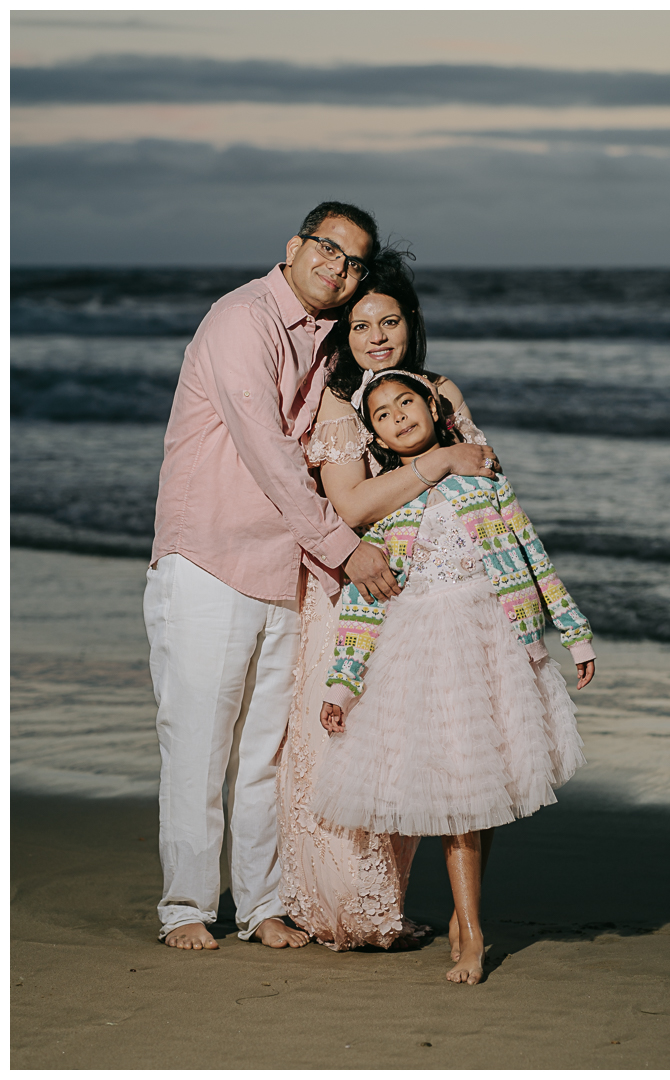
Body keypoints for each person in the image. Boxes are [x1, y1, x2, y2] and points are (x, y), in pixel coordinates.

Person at [144, 201, 412, 951]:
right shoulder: (243, 320)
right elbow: (267, 451)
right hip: (210, 561)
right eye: (328, 249)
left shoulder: (322, 342)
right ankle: (186, 909)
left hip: (282, 570)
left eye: (353, 261)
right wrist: (344, 549)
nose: (338, 267)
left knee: (264, 754)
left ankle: (262, 906)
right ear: (295, 247)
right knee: (198, 746)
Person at [312, 370, 596, 983]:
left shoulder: (479, 477)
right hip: (426, 652)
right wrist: (341, 686)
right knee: (461, 789)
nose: (397, 416)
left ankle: (464, 917)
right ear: (378, 437)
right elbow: (364, 606)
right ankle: (470, 929)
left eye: (406, 402)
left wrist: (573, 631)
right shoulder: (388, 506)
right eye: (383, 414)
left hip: (493, 639)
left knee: (481, 783)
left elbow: (530, 552)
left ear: (433, 408)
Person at [276, 251, 500, 949]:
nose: (377, 336)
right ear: (343, 333)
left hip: (437, 593)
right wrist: (436, 463)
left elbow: (488, 477)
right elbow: (350, 504)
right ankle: (342, 905)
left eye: (390, 321)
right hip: (355, 587)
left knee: (411, 746)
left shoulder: (440, 389)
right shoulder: (340, 405)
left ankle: (390, 902)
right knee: (344, 740)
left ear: (411, 323)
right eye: (361, 323)